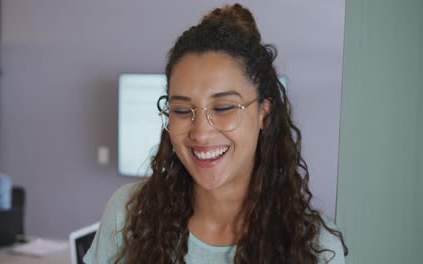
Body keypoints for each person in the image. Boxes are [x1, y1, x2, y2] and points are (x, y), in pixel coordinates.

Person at [85, 3, 348, 263]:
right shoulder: (128, 215)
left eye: (223, 107)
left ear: (264, 114)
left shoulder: (316, 249)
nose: (200, 132)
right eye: (181, 110)